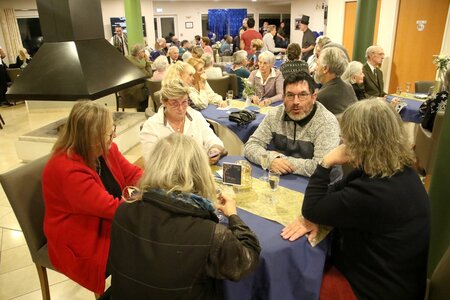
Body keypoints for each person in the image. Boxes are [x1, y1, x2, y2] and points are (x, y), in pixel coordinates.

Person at [282, 99, 430, 299]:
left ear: (362, 141)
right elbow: (334, 191)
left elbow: (312, 209)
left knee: (295, 283)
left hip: (374, 289)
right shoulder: (395, 170)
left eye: (347, 137)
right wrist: (323, 213)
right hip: (397, 277)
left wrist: (326, 162)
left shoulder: (374, 191)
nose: (343, 142)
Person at [111, 133, 260, 299]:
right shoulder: (211, 235)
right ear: (199, 172)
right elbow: (247, 259)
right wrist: (233, 216)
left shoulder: (124, 210)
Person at [42, 101, 143, 294]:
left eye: (112, 128)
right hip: (80, 236)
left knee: (148, 237)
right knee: (140, 250)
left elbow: (133, 174)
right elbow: (113, 209)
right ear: (91, 138)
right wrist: (142, 195)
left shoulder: (106, 149)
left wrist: (146, 186)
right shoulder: (67, 170)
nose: (113, 135)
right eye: (108, 132)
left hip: (103, 220)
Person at [244, 72, 340, 177]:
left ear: (313, 97)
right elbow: (250, 146)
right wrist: (271, 159)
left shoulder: (326, 122)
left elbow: (321, 166)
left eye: (302, 95)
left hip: (322, 185)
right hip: (284, 180)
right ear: (283, 97)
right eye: (290, 95)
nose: (296, 102)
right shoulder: (275, 114)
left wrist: (279, 160)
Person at [140, 79, 226, 164]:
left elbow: (211, 138)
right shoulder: (151, 126)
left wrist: (215, 149)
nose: (181, 109)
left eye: (184, 102)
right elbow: (151, 162)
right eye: (175, 104)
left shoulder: (196, 116)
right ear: (164, 102)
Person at [315, 47, 357, 115]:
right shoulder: (348, 87)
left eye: (317, 64)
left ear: (325, 69)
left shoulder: (320, 97)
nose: (315, 69)